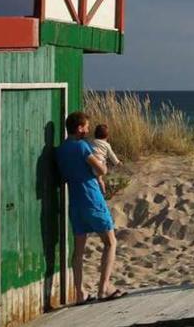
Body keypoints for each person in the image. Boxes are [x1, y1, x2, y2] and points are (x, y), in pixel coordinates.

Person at [56, 112, 126, 304]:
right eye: (86, 127)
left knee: (78, 250)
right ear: (79, 128)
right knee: (110, 242)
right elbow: (101, 169)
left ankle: (80, 292)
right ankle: (104, 288)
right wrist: (102, 165)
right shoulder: (82, 146)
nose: (88, 130)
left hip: (75, 202)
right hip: (91, 198)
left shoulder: (60, 150)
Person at [91, 124, 122, 196]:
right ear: (107, 136)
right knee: (100, 180)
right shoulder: (106, 145)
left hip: (91, 163)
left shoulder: (92, 141)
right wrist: (117, 162)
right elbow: (112, 155)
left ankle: (96, 191)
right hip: (100, 164)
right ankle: (103, 193)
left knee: (94, 180)